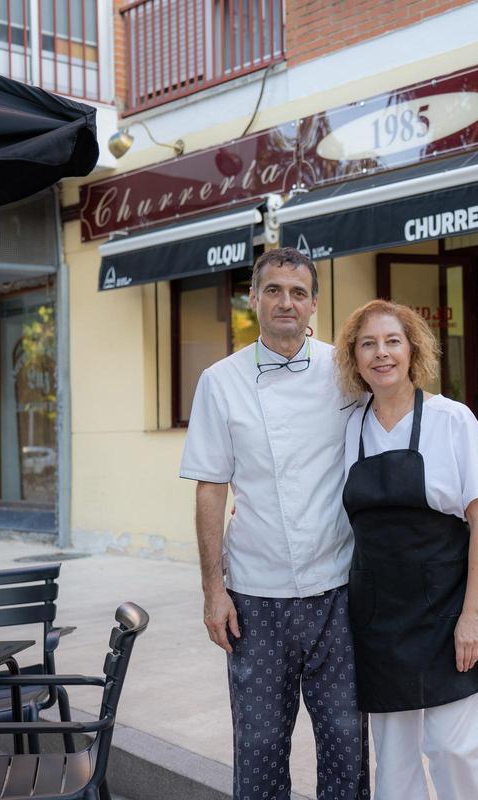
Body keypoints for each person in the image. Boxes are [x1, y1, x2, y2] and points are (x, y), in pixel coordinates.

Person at [179, 247, 369, 800]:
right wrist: (213, 591)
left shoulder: (346, 371)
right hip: (255, 596)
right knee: (259, 746)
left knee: (346, 740)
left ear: (314, 304)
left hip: (337, 588)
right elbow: (211, 489)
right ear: (253, 299)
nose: (287, 302)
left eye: (299, 292)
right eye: (274, 290)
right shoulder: (220, 381)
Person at [334, 299, 478, 800]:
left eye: (392, 341)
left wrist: (472, 616)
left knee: (453, 749)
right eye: (368, 344)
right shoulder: (351, 427)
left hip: (450, 608)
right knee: (393, 768)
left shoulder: (451, 419)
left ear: (413, 351)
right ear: (355, 357)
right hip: (380, 618)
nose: (381, 353)